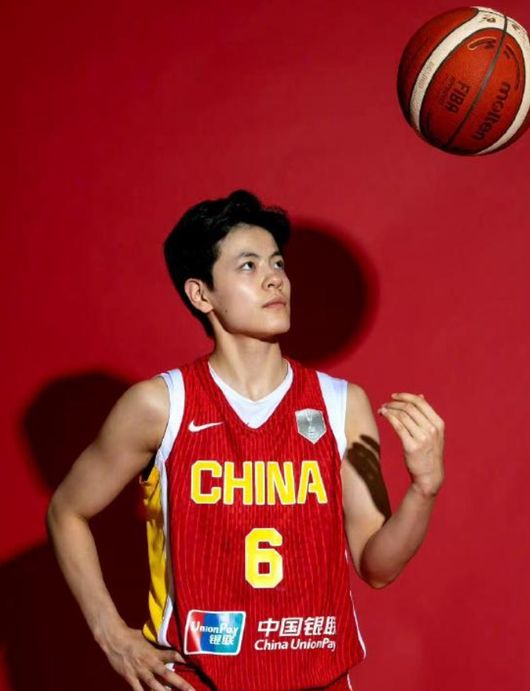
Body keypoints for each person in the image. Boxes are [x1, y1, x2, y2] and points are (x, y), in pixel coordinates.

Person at [46, 190, 445, 691]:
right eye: (248, 266)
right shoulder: (161, 406)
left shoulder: (341, 404)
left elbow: (377, 566)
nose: (274, 278)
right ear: (201, 295)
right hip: (199, 680)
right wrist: (111, 634)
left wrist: (423, 490)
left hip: (317, 681)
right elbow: (66, 511)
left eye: (277, 263)